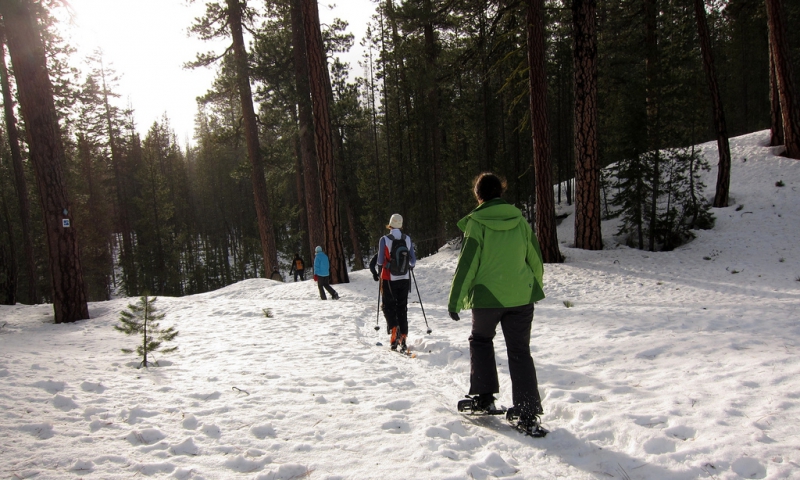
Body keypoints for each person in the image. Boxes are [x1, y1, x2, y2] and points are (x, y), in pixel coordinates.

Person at [447, 172, 546, 436]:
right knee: (520, 351)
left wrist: (455, 300)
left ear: (478, 195)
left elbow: (467, 265)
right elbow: (535, 258)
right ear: (501, 192)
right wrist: (532, 286)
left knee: (480, 340)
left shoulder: (477, 223)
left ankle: (484, 396)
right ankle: (527, 410)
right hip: (521, 298)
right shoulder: (519, 220)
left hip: (488, 298)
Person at [377, 214, 416, 351]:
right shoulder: (407, 239)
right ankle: (403, 336)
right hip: (404, 278)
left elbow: (380, 261)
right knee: (402, 307)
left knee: (388, 306)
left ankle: (394, 329)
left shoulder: (385, 240)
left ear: (390, 224)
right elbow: (413, 261)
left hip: (389, 278)